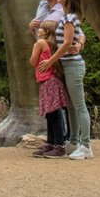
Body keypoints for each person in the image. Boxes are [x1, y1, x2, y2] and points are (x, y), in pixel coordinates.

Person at [40, 0, 93, 160]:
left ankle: (86, 146)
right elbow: (75, 38)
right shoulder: (66, 17)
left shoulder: (69, 18)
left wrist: (50, 61)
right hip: (67, 66)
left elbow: (66, 43)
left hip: (73, 66)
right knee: (70, 106)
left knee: (79, 106)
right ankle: (74, 140)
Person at [29, 19, 71, 158]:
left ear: (46, 31)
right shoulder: (53, 45)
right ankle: (52, 143)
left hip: (47, 81)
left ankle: (59, 145)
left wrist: (35, 45)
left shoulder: (40, 43)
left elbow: (33, 61)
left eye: (41, 28)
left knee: (53, 114)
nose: (38, 29)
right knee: (51, 113)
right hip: (52, 80)